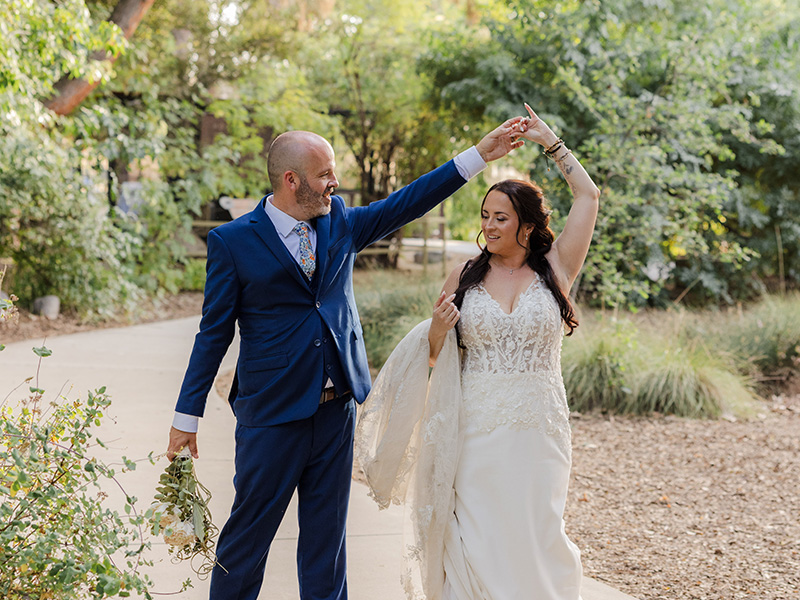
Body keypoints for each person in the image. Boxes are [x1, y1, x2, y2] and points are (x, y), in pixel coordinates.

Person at [165, 119, 527, 600]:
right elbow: (212, 334)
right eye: (325, 174)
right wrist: (185, 418)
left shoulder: (340, 223)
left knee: (326, 545)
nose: (333, 183)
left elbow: (408, 202)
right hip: (271, 416)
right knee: (246, 542)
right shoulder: (233, 242)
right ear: (291, 180)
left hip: (336, 413)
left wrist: (478, 154)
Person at [355, 103, 600, 600]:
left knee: (537, 533)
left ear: (527, 226)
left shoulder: (556, 269)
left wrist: (549, 142)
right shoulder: (464, 277)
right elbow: (433, 358)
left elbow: (588, 195)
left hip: (539, 431)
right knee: (478, 536)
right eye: (485, 216)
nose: (489, 226)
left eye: (501, 218)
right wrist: (439, 332)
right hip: (476, 429)